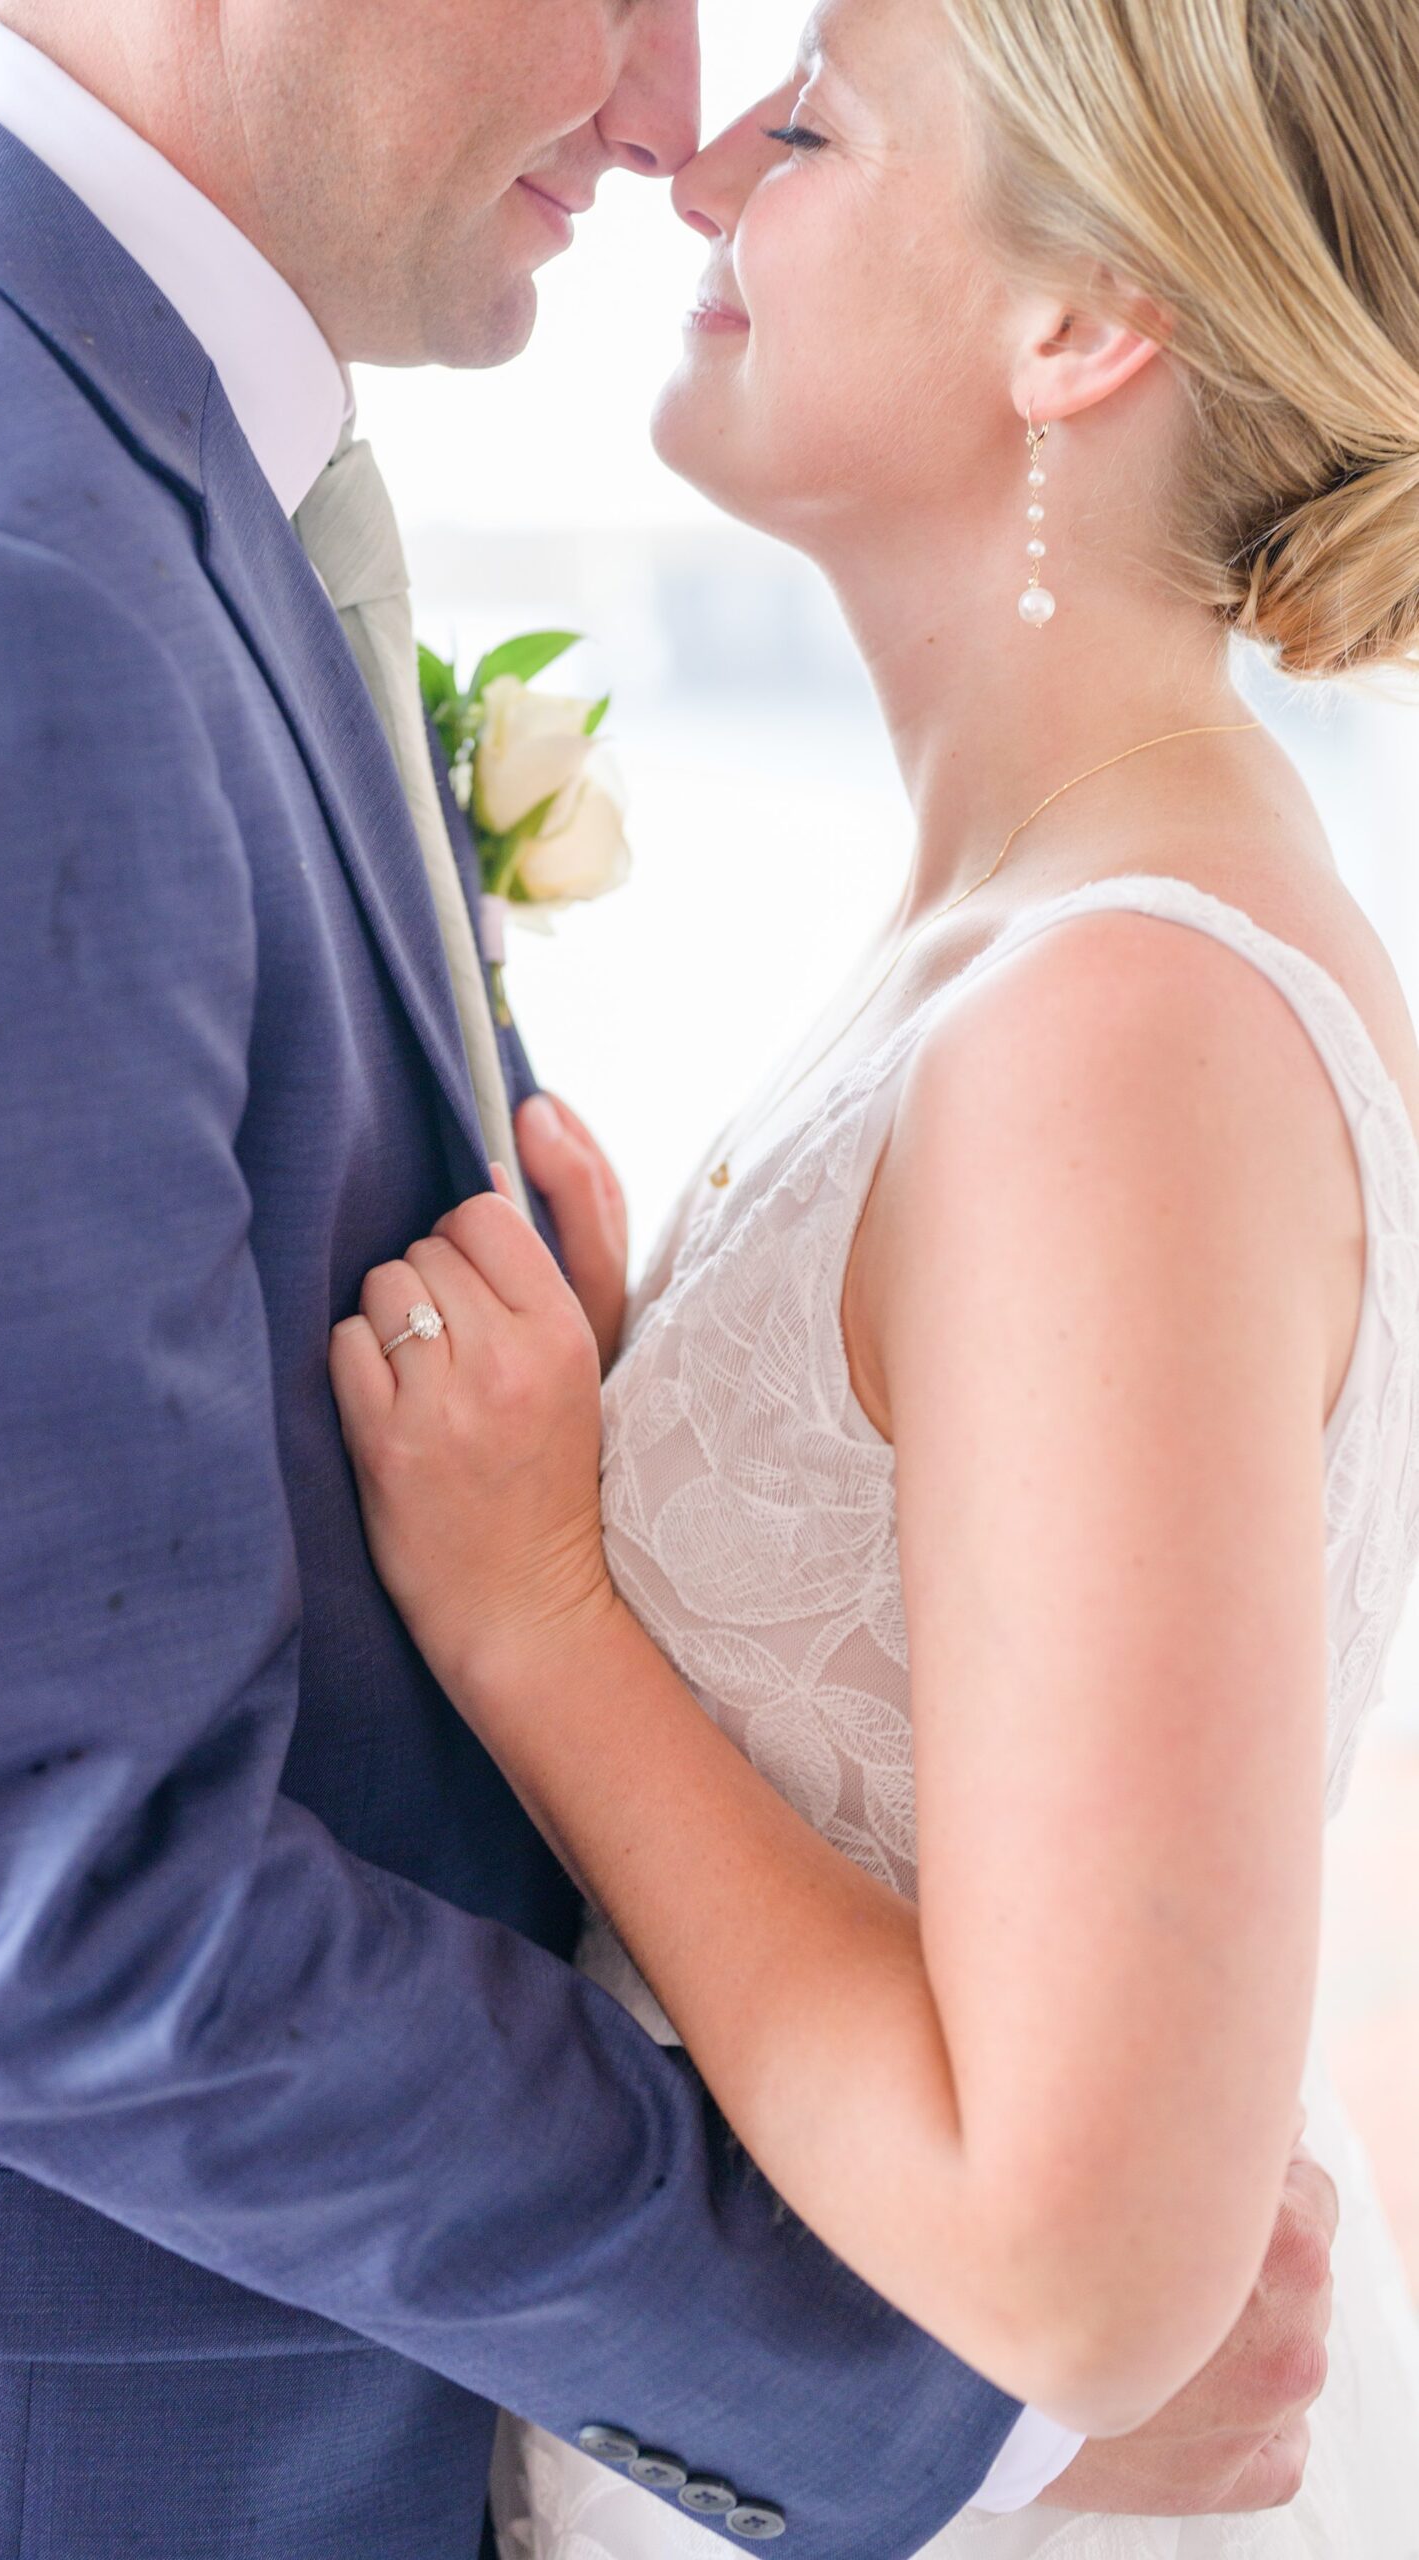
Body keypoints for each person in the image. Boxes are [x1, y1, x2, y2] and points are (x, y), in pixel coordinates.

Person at [0, 0, 1332, 2554]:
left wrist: (557, 1549)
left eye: (801, 109)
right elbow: (34, 1886)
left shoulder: (93, 471)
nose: (676, 124)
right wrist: (934, 2398)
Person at [331, 0, 1419, 2553]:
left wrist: (546, 1606)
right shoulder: (1032, 940)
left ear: (1080, 325)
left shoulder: (1119, 1023)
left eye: (810, 125)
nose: (696, 171)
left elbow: (1075, 2263)